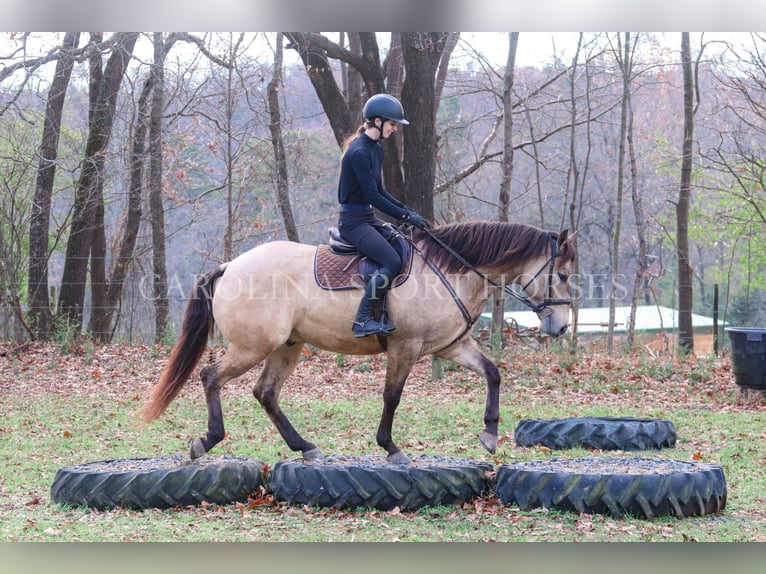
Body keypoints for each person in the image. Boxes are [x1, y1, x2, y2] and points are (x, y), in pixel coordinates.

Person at [337, 93, 429, 338]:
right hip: (353, 222)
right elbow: (373, 197)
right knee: (392, 262)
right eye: (392, 124)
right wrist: (406, 217)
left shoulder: (375, 149)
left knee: (403, 248)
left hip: (367, 218)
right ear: (377, 121)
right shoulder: (358, 152)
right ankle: (363, 319)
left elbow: (380, 190)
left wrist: (407, 211)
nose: (395, 128)